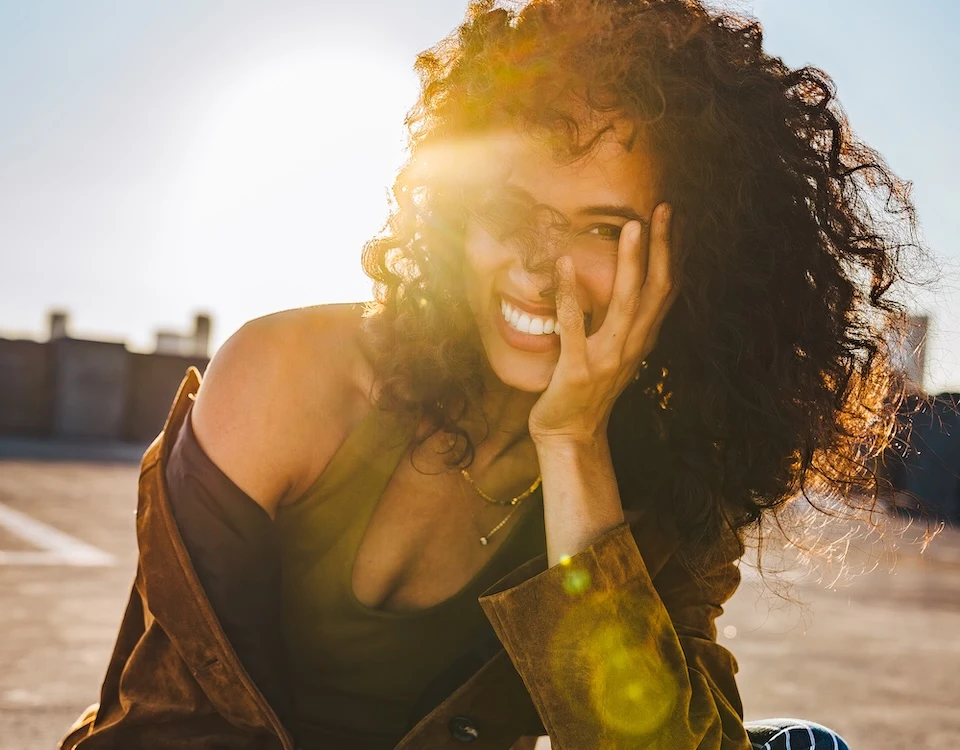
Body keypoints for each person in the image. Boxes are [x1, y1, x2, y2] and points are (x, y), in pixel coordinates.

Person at [60, 0, 920, 747]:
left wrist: (573, 442)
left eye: (600, 229)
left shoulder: (675, 477)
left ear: (685, 259)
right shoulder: (289, 375)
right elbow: (167, 724)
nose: (540, 269)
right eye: (511, 213)